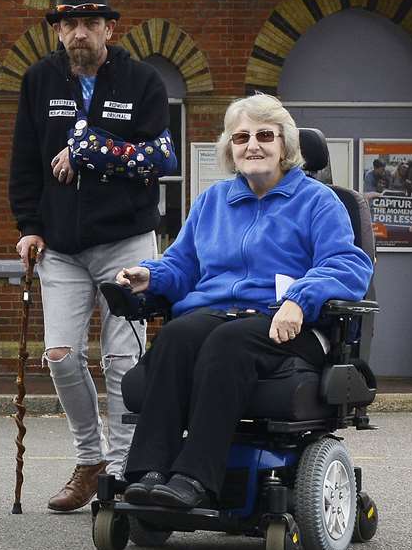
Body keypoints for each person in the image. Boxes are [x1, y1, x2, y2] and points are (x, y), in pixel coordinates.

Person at [115, 94, 373, 508]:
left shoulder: (318, 202)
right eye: (241, 137)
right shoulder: (212, 202)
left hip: (290, 323)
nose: (253, 145)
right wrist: (152, 275)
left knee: (228, 342)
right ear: (230, 150)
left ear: (285, 145)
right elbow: (183, 265)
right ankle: (148, 472)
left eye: (264, 135)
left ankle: (194, 479)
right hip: (217, 314)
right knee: (179, 334)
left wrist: (299, 299)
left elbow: (347, 265)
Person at [9, 0, 171, 511]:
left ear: (110, 28)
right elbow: (24, 165)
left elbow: (159, 160)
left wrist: (89, 150)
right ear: (58, 30)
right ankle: (91, 459)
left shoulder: (142, 81)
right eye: (70, 23)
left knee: (124, 359)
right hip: (61, 246)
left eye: (90, 23)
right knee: (60, 356)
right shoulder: (38, 81)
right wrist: (28, 226)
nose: (80, 32)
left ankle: (126, 469)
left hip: (127, 242)